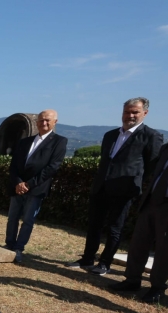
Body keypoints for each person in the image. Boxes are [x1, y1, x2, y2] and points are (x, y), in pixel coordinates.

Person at [66, 98, 163, 275]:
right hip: (101, 187)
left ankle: (105, 263)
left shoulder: (151, 136)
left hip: (125, 190)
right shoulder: (110, 135)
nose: (130, 115)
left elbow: (151, 166)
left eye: (135, 112)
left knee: (114, 228)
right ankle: (87, 258)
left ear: (145, 113)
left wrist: (134, 181)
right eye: (127, 112)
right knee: (94, 225)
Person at [5, 110, 67, 263]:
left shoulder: (59, 141)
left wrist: (29, 184)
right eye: (41, 120)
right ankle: (9, 245)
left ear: (55, 122)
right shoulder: (25, 142)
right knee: (12, 217)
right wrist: (18, 182)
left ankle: (19, 248)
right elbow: (14, 165)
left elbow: (52, 167)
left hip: (36, 188)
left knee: (28, 220)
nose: (43, 123)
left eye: (47, 120)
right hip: (18, 186)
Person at [109, 142, 168, 304]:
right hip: (151, 201)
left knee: (164, 250)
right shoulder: (165, 148)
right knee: (139, 242)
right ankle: (132, 280)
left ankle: (157, 288)